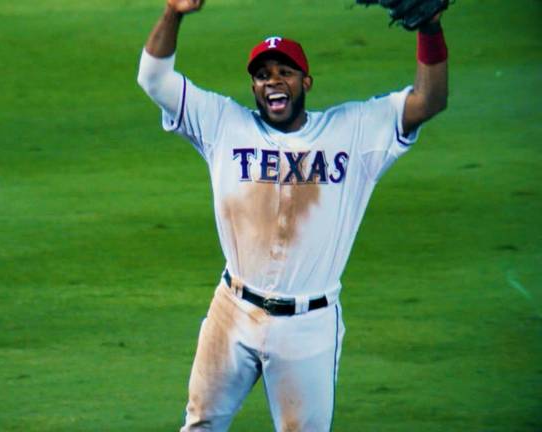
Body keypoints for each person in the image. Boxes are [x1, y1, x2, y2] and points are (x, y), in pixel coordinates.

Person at [136, 0, 448, 430]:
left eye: (284, 72)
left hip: (310, 326)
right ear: (254, 89)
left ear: (306, 81)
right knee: (200, 424)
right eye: (263, 75)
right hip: (234, 311)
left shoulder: (352, 131)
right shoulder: (224, 124)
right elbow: (153, 79)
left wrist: (429, 28)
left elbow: (429, 100)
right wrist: (173, 12)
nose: (273, 81)